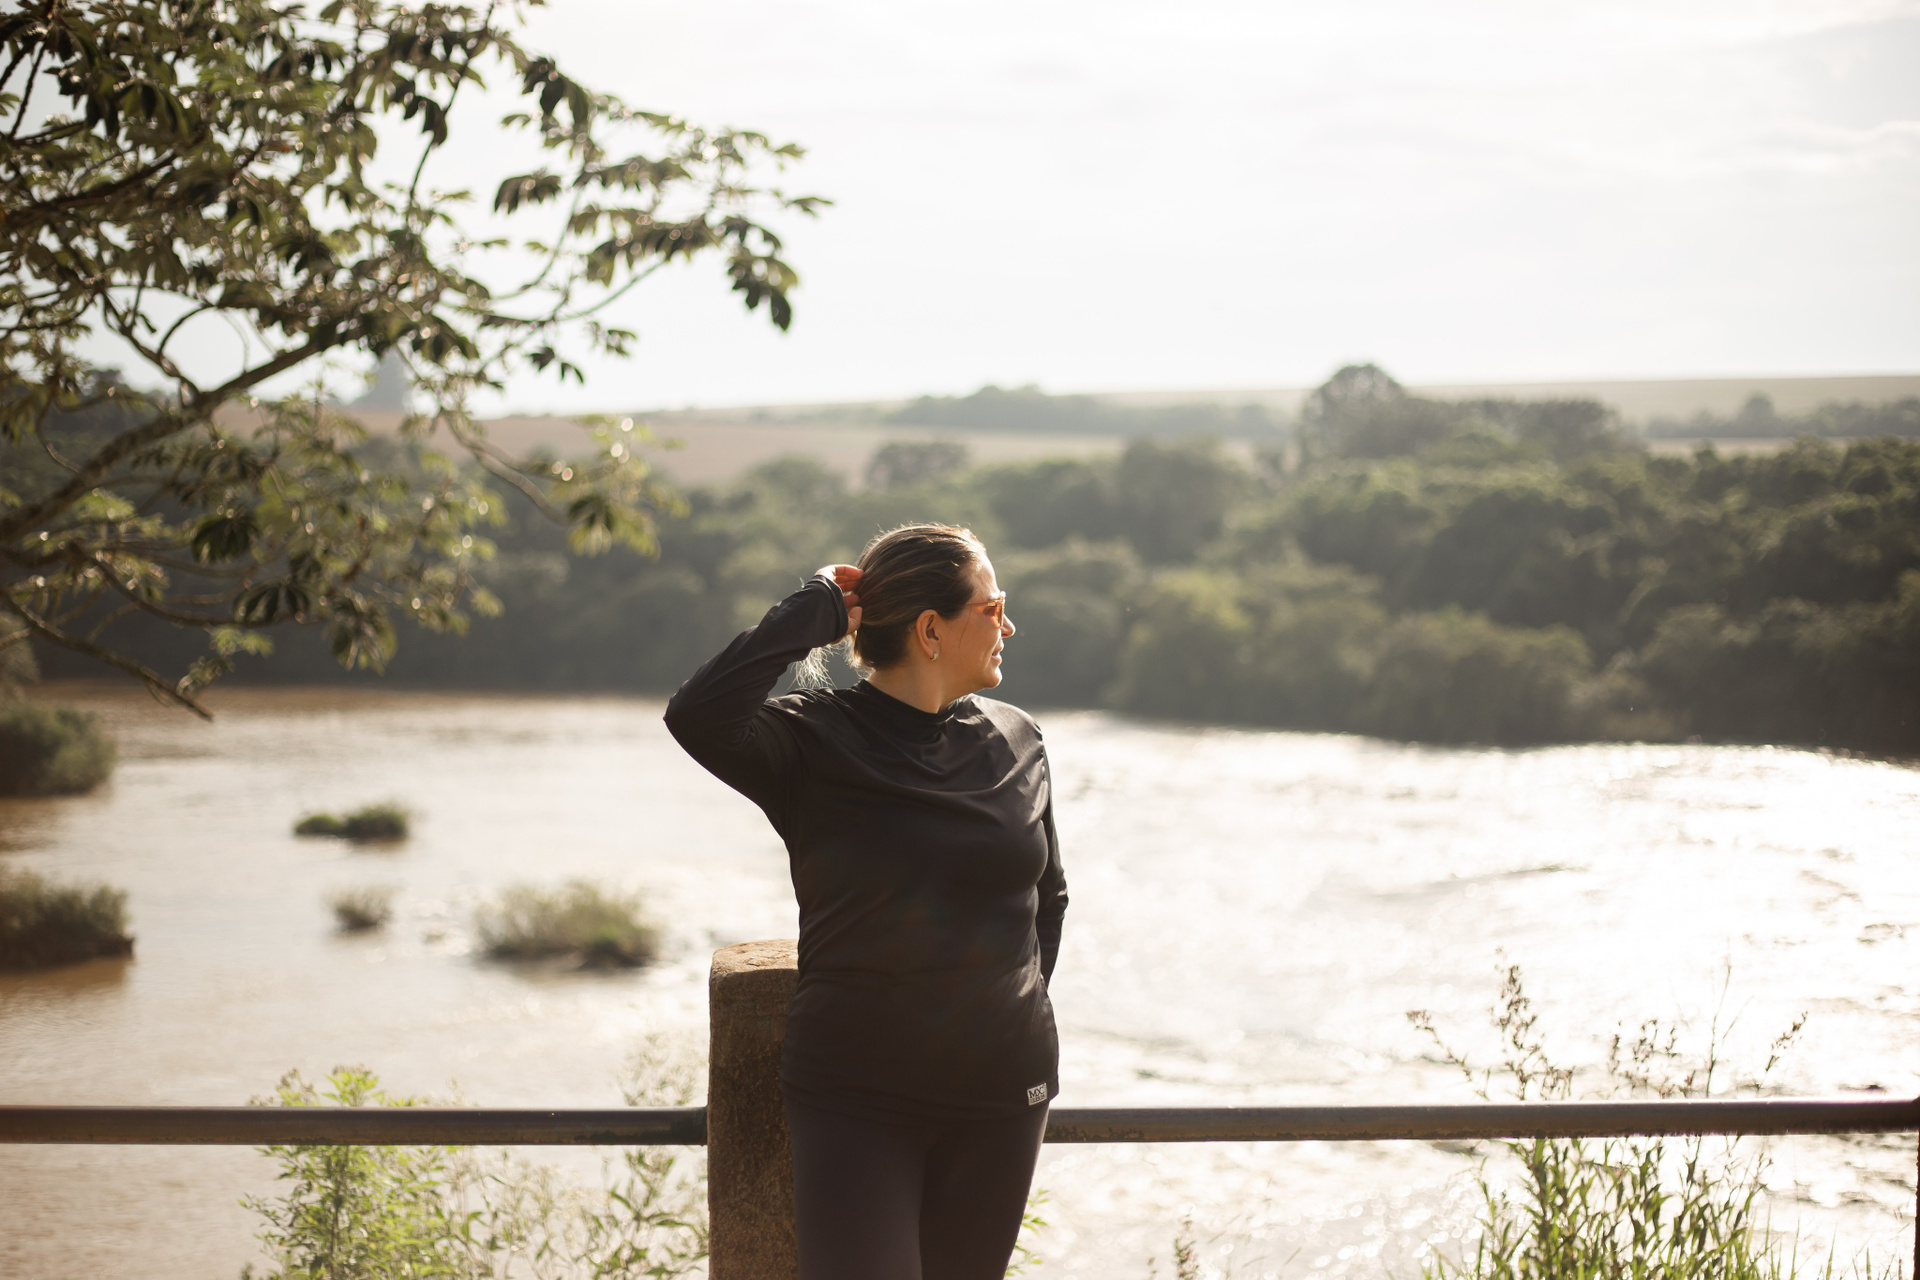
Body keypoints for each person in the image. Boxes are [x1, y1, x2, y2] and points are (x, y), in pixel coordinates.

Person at [664, 522, 1068, 1280]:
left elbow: (1049, 899)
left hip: (1002, 1095)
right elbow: (697, 715)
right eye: (993, 607)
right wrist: (811, 610)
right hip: (857, 1099)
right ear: (930, 630)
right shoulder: (814, 739)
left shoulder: (1019, 738)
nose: (1008, 625)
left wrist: (1004, 1016)